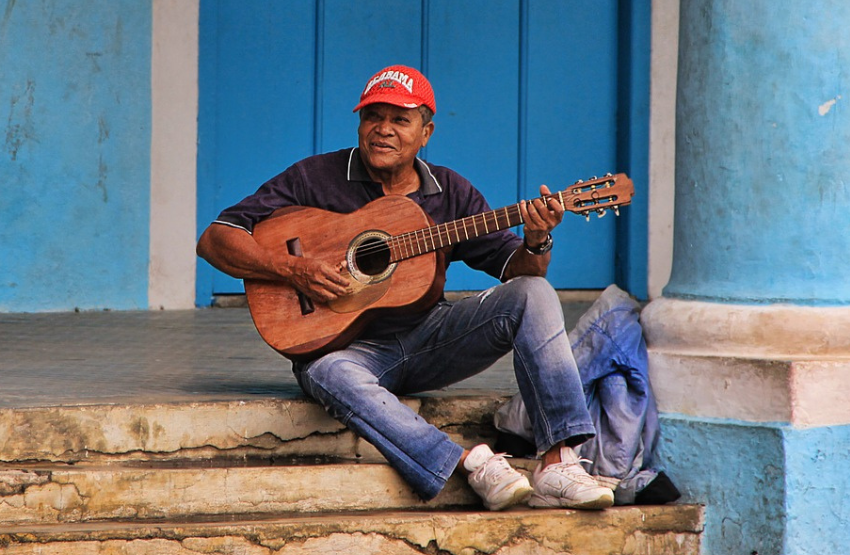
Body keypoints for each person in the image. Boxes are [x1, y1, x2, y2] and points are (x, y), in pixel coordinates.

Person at [197, 65, 613, 511]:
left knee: (534, 292)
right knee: (324, 372)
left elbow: (517, 268)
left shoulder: (449, 191)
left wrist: (537, 239)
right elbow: (216, 238)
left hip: (431, 339)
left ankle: (558, 463)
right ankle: (470, 463)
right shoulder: (314, 177)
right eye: (373, 116)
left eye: (400, 119)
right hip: (346, 349)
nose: (383, 130)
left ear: (425, 132)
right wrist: (292, 269)